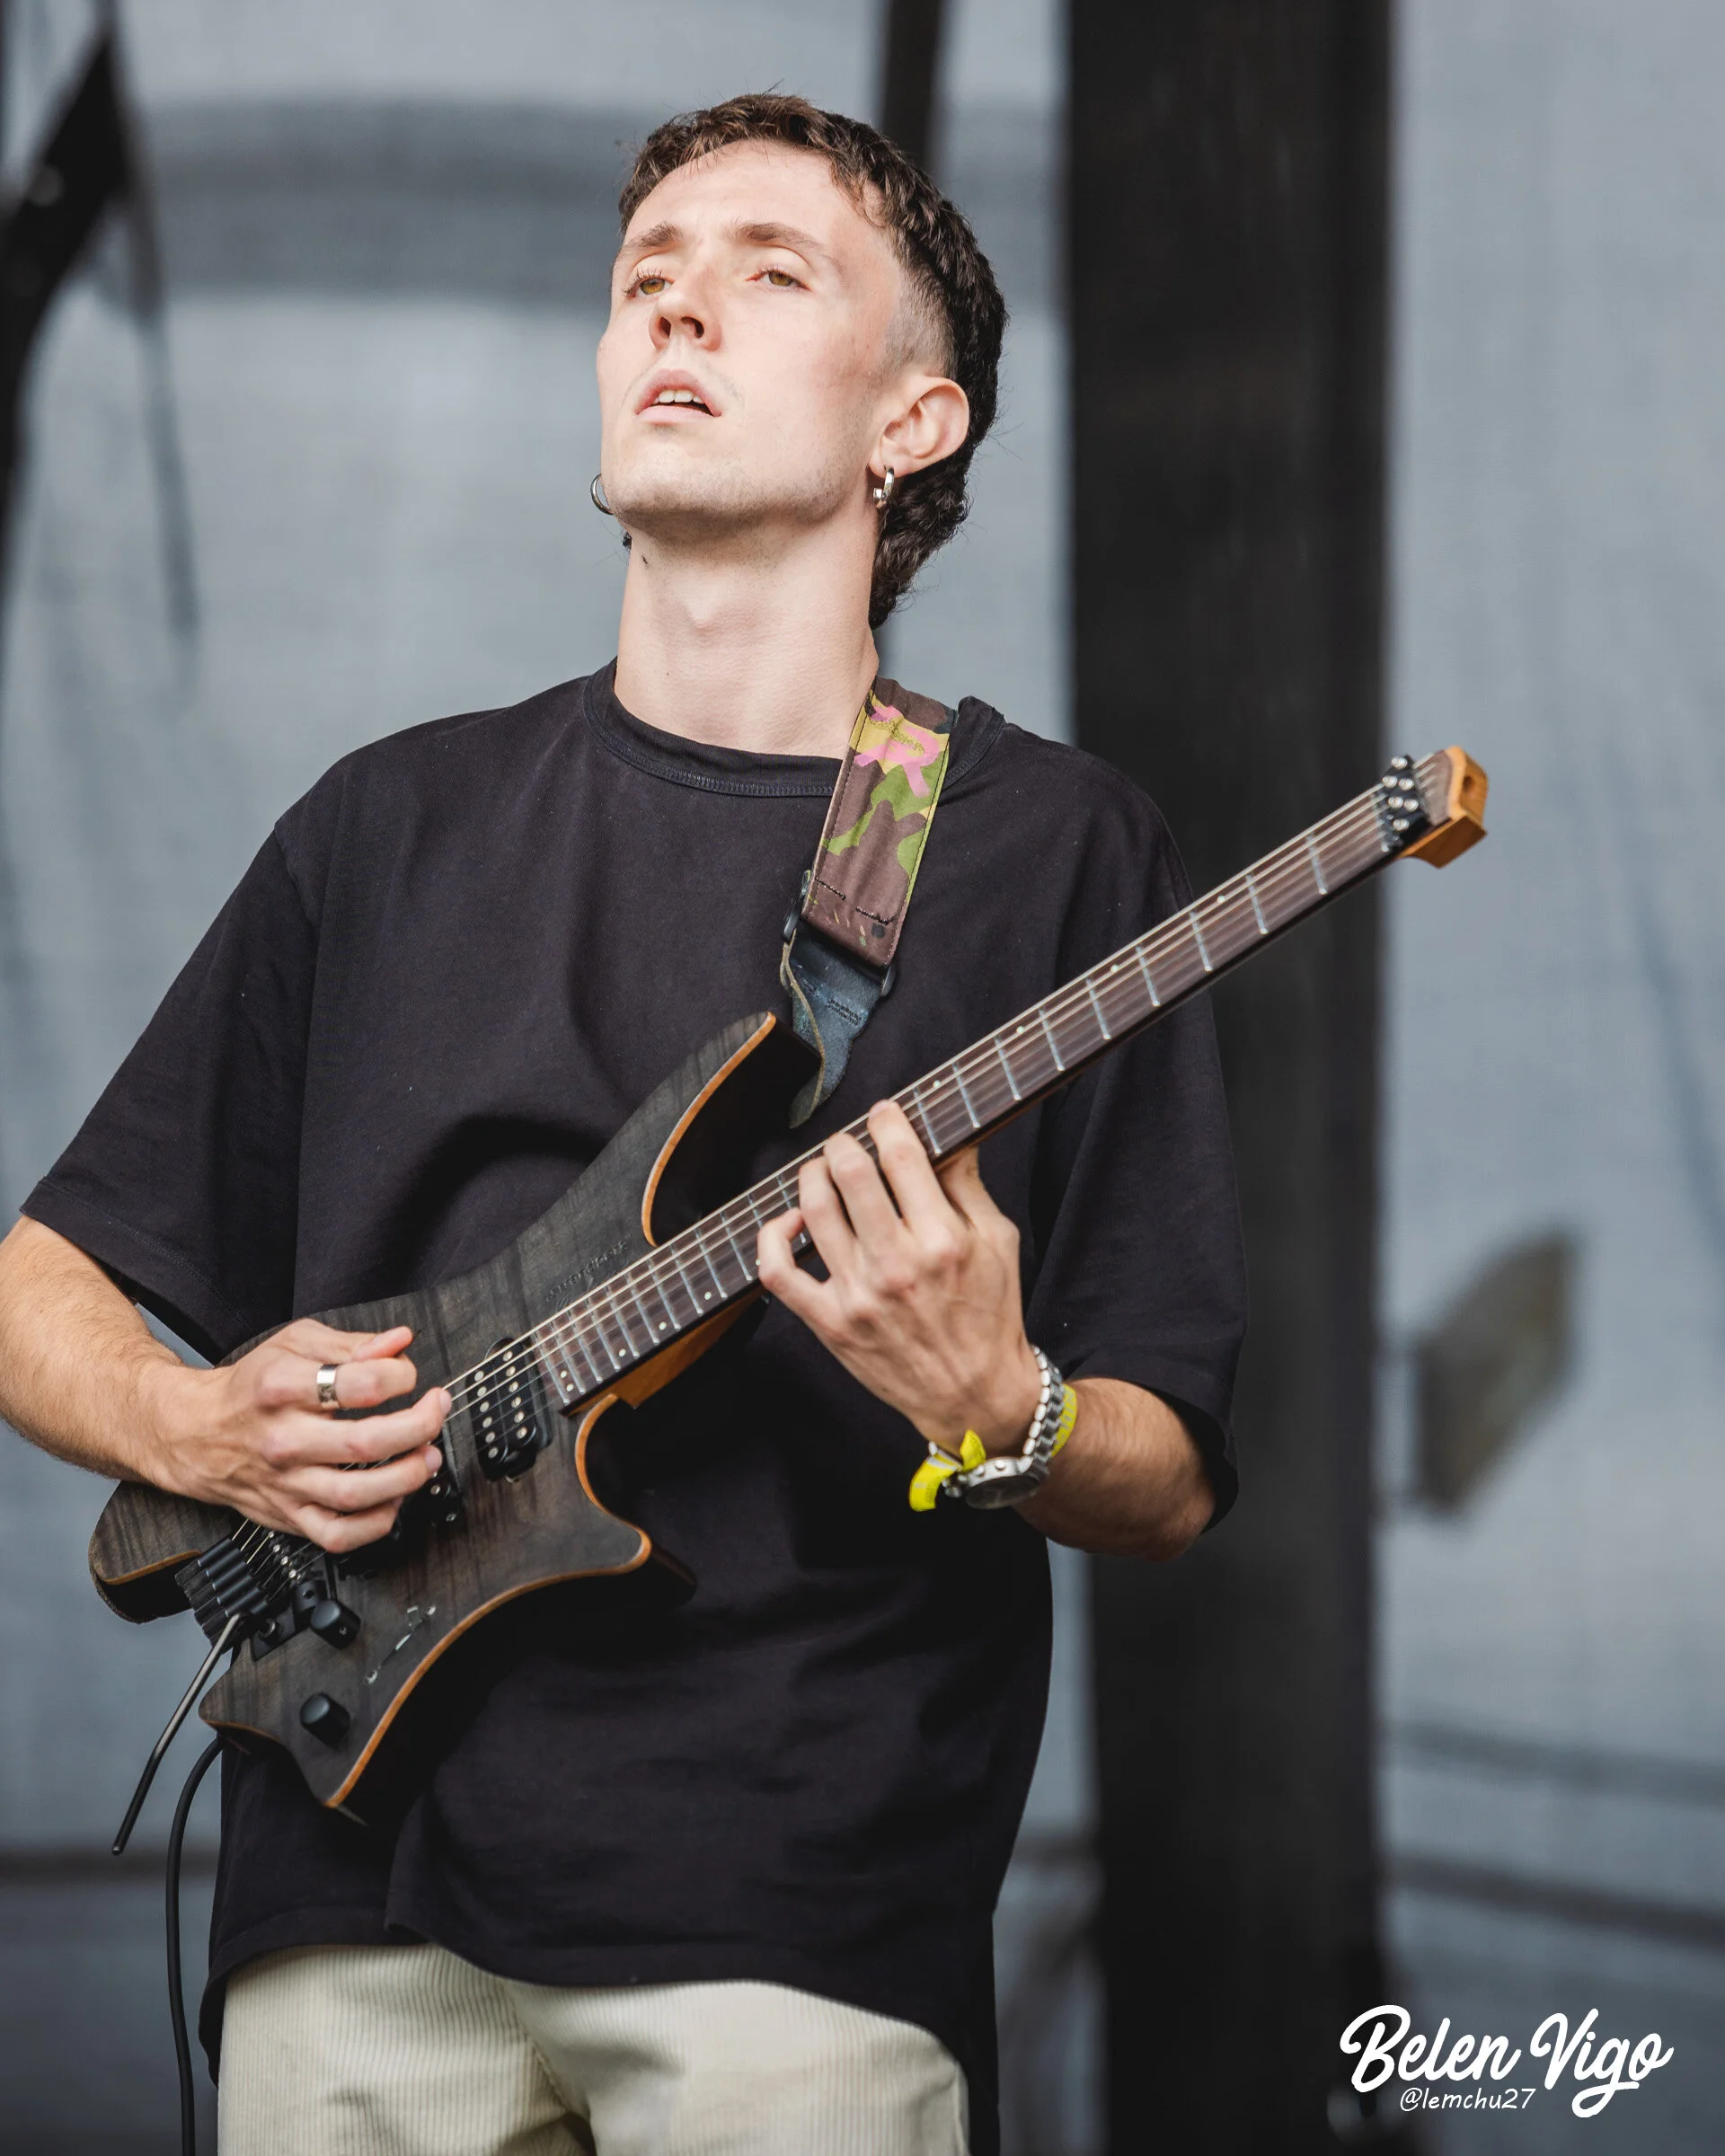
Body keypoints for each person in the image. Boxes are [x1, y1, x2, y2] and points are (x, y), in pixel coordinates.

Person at [0, 94, 1244, 2156]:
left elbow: (1171, 1472)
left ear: (914, 421)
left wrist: (998, 1406)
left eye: (769, 275)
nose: (677, 310)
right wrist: (189, 1424)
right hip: (343, 1892)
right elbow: (40, 1278)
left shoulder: (1051, 851)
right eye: (644, 279)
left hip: (794, 1914)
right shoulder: (387, 825)